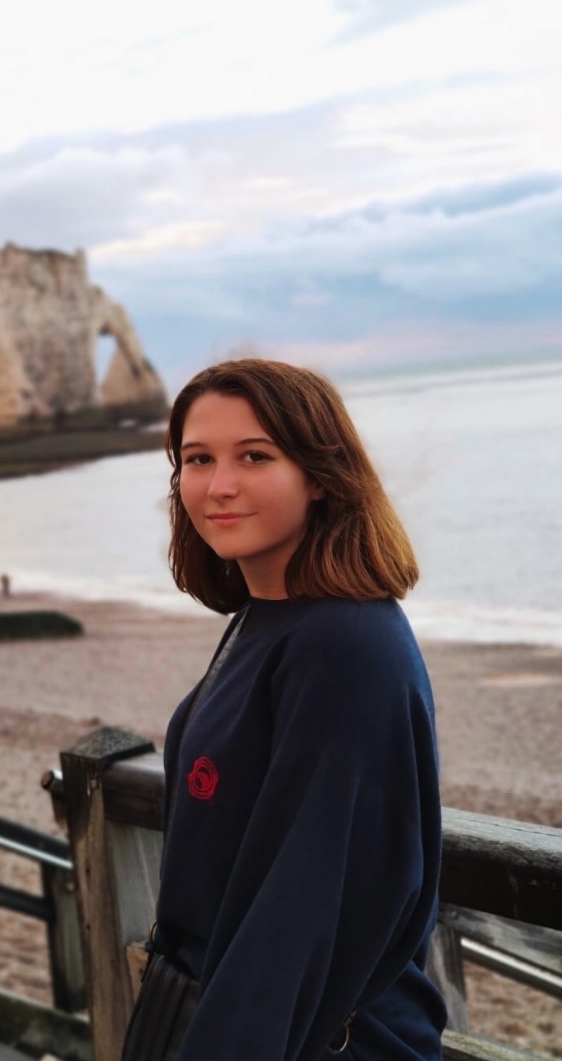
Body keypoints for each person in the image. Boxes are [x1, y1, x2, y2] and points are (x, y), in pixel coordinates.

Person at [129, 359, 446, 1060]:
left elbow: (301, 911)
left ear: (321, 476)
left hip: (306, 1038)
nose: (220, 485)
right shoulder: (264, 617)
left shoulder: (345, 645)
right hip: (217, 1009)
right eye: (197, 459)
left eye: (255, 456)